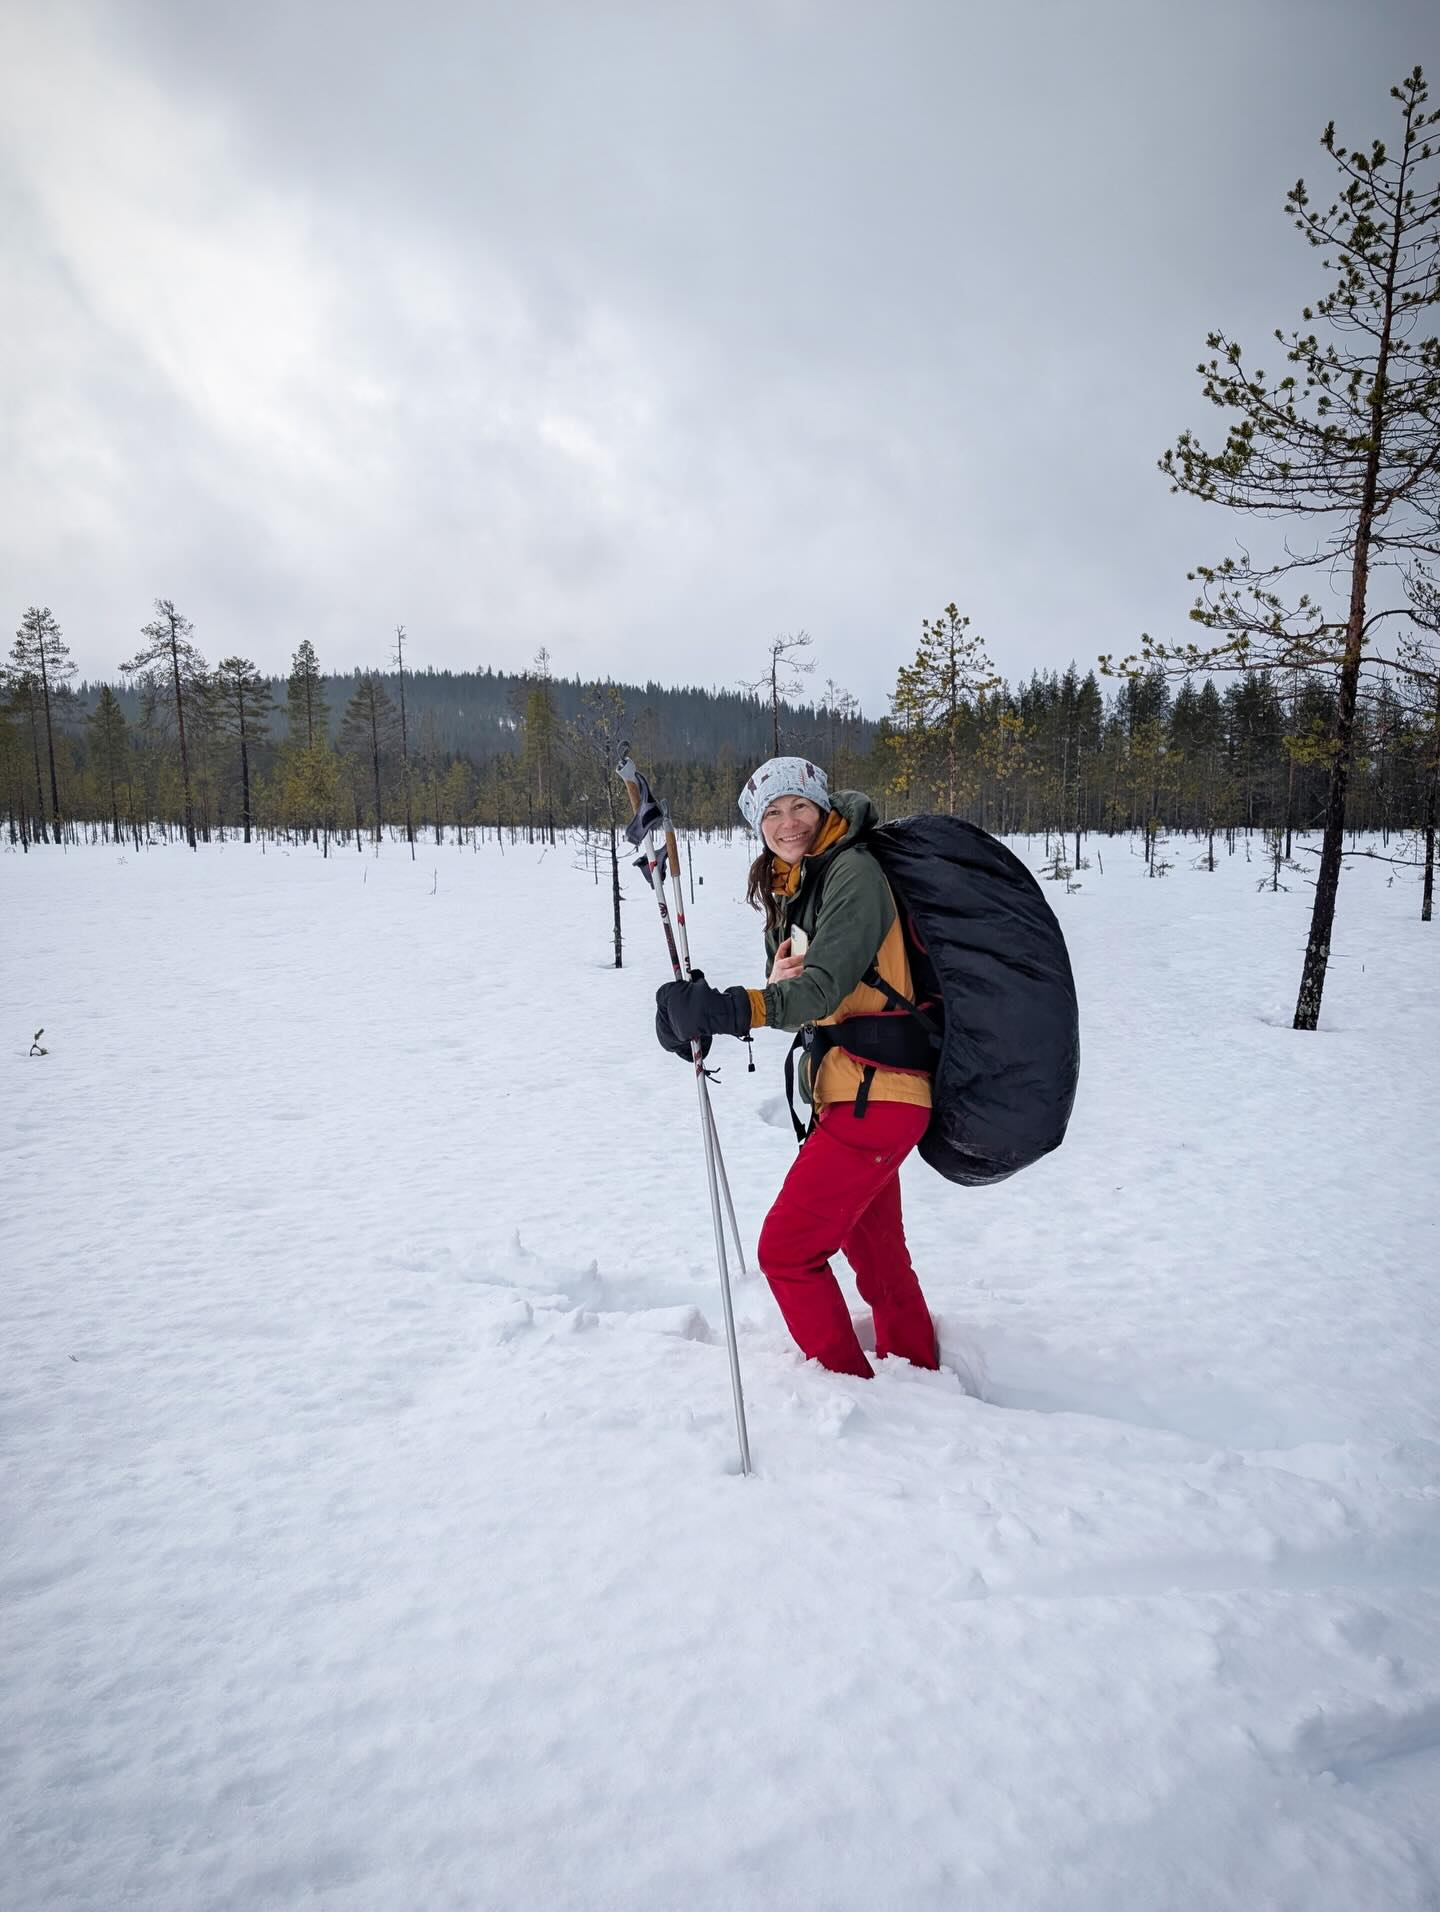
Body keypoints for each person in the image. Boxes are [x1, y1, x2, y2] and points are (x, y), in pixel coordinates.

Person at [654, 756, 938, 1380]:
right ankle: (919, 1376)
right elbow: (800, 994)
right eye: (772, 812)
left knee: (785, 1252)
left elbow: (822, 993)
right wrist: (720, 1008)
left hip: (876, 1093)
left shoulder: (852, 874)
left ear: (823, 808)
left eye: (800, 807)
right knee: (878, 1256)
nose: (788, 823)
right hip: (858, 1090)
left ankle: (845, 1388)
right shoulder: (797, 882)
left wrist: (731, 1009)